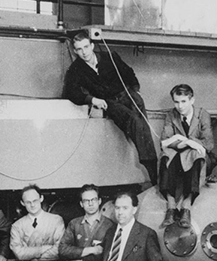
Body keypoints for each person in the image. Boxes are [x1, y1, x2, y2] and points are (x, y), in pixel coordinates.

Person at [63, 29, 159, 185]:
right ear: (75, 51)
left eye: (86, 47)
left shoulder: (110, 57)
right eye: (79, 49)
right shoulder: (76, 70)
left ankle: (155, 169)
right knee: (134, 121)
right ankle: (152, 171)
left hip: (127, 95)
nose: (84, 52)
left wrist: (135, 89)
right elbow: (71, 92)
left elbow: (128, 72)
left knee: (144, 128)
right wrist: (92, 99)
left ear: (92, 46)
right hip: (110, 102)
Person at [159, 84, 214, 229]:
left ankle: (186, 207)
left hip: (200, 158)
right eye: (176, 102)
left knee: (196, 154)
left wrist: (188, 141)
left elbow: (208, 144)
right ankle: (171, 207)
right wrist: (183, 141)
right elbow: (164, 142)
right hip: (179, 154)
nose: (180, 106)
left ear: (192, 100)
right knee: (166, 156)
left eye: (183, 101)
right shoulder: (171, 115)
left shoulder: (202, 115)